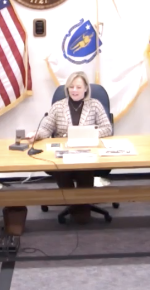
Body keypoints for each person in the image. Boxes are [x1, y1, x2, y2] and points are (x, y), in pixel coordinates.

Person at [27, 71, 112, 222]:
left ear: (85, 88)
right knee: (60, 169)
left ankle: (81, 205)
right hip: (63, 153)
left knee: (85, 169)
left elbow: (107, 128)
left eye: (78, 87)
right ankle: (75, 203)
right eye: (71, 87)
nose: (74, 90)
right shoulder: (58, 106)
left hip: (88, 151)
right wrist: (37, 134)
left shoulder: (95, 105)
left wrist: (89, 134)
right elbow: (46, 128)